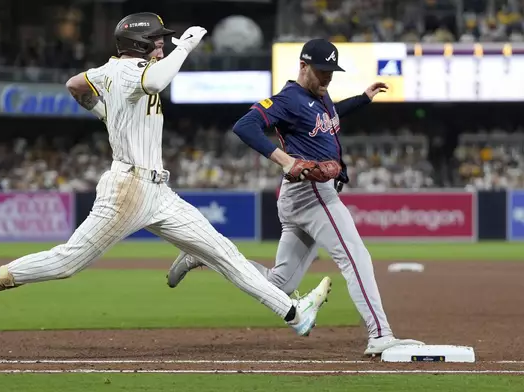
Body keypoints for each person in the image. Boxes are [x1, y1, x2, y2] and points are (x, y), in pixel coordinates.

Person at [0, 13, 332, 338]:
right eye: (158, 41)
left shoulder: (111, 71)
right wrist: (187, 47)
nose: (163, 44)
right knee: (66, 262)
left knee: (224, 254)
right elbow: (156, 80)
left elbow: (75, 84)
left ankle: (294, 314)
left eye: (165, 41)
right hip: (128, 189)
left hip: (157, 190)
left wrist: (103, 111)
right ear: (141, 46)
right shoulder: (132, 70)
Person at [166, 38, 424, 356]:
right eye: (321, 70)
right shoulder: (289, 99)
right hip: (311, 193)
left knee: (279, 286)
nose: (327, 77)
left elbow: (329, 118)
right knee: (356, 257)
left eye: (331, 70)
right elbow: (245, 126)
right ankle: (380, 335)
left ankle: (204, 255)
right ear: (303, 66)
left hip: (302, 196)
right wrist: (286, 160)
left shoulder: (322, 95)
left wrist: (363, 99)